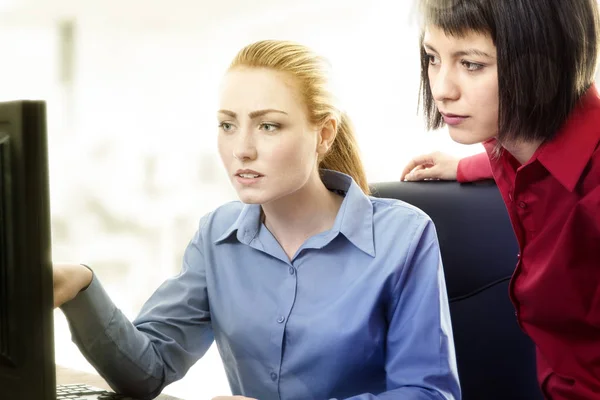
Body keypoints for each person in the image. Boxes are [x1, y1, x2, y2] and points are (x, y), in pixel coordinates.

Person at [54, 40, 461, 400]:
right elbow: (147, 371)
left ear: (323, 135)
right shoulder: (216, 236)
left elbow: (429, 393)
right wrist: (78, 288)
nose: (242, 150)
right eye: (228, 125)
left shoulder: (404, 236)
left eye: (268, 126)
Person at [400, 0, 600, 398]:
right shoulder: (513, 140)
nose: (441, 90)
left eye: (471, 64)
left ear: (545, 61)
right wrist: (462, 166)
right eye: (432, 57)